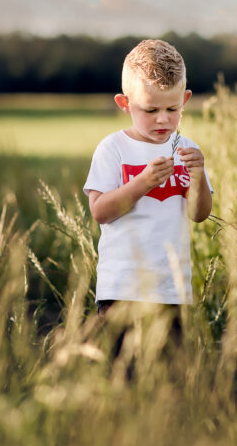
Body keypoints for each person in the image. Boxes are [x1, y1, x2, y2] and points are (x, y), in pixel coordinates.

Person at [83, 39, 213, 354]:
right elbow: (100, 211)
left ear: (185, 100)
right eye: (150, 109)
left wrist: (197, 178)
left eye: (172, 109)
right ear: (124, 103)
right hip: (122, 287)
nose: (163, 119)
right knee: (123, 373)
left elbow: (198, 214)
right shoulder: (113, 148)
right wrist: (143, 182)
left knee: (169, 379)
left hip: (171, 287)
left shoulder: (187, 150)